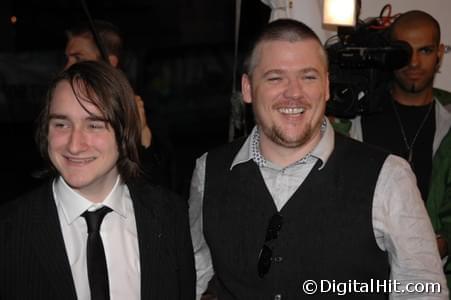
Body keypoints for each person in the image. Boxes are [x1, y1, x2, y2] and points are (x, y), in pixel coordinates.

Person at [188, 19, 448, 299]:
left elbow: (423, 289)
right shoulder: (208, 171)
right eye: (275, 77)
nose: (294, 93)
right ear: (248, 88)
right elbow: (197, 273)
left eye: (308, 77)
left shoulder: (389, 175)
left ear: (326, 86)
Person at [0, 61, 195, 299]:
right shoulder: (9, 230)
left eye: (94, 125)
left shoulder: (171, 216)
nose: (74, 144)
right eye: (61, 124)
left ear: (125, 133)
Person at [332, 10, 451, 289]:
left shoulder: (447, 119)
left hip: (428, 279)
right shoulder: (353, 117)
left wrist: (445, 240)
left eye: (425, 50)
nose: (414, 62)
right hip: (358, 277)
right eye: (402, 51)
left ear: (440, 54)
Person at [65, 20, 177, 190]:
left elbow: (160, 184)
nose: (68, 66)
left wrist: (143, 139)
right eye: (67, 58)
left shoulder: (143, 109)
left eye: (78, 58)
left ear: (110, 62)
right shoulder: (64, 105)